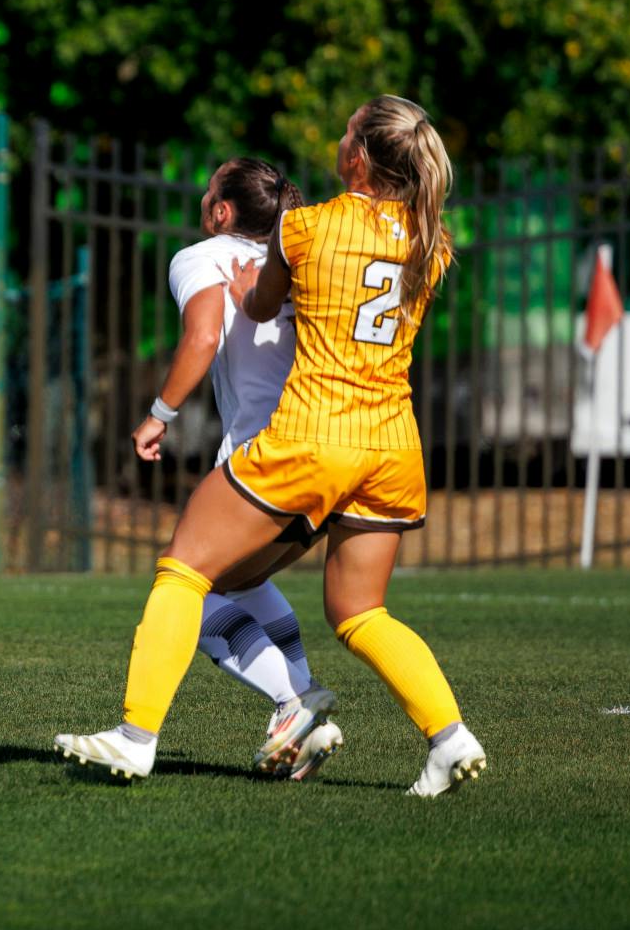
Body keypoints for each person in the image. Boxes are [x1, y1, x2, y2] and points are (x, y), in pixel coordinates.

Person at [57, 96, 488, 797]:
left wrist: (246, 291)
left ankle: (135, 738)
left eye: (347, 131)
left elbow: (259, 304)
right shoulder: (430, 241)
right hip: (392, 444)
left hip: (314, 435)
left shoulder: (305, 225)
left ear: (358, 156)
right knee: (361, 612)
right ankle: (448, 736)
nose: (338, 139)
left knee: (184, 572)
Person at [138, 157, 342, 780]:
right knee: (243, 583)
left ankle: (293, 702)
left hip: (265, 459)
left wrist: (159, 415)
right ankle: (302, 699)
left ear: (222, 211)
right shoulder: (301, 258)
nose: (204, 198)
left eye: (209, 191)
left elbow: (202, 338)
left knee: (190, 593)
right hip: (335, 452)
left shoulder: (201, 257)